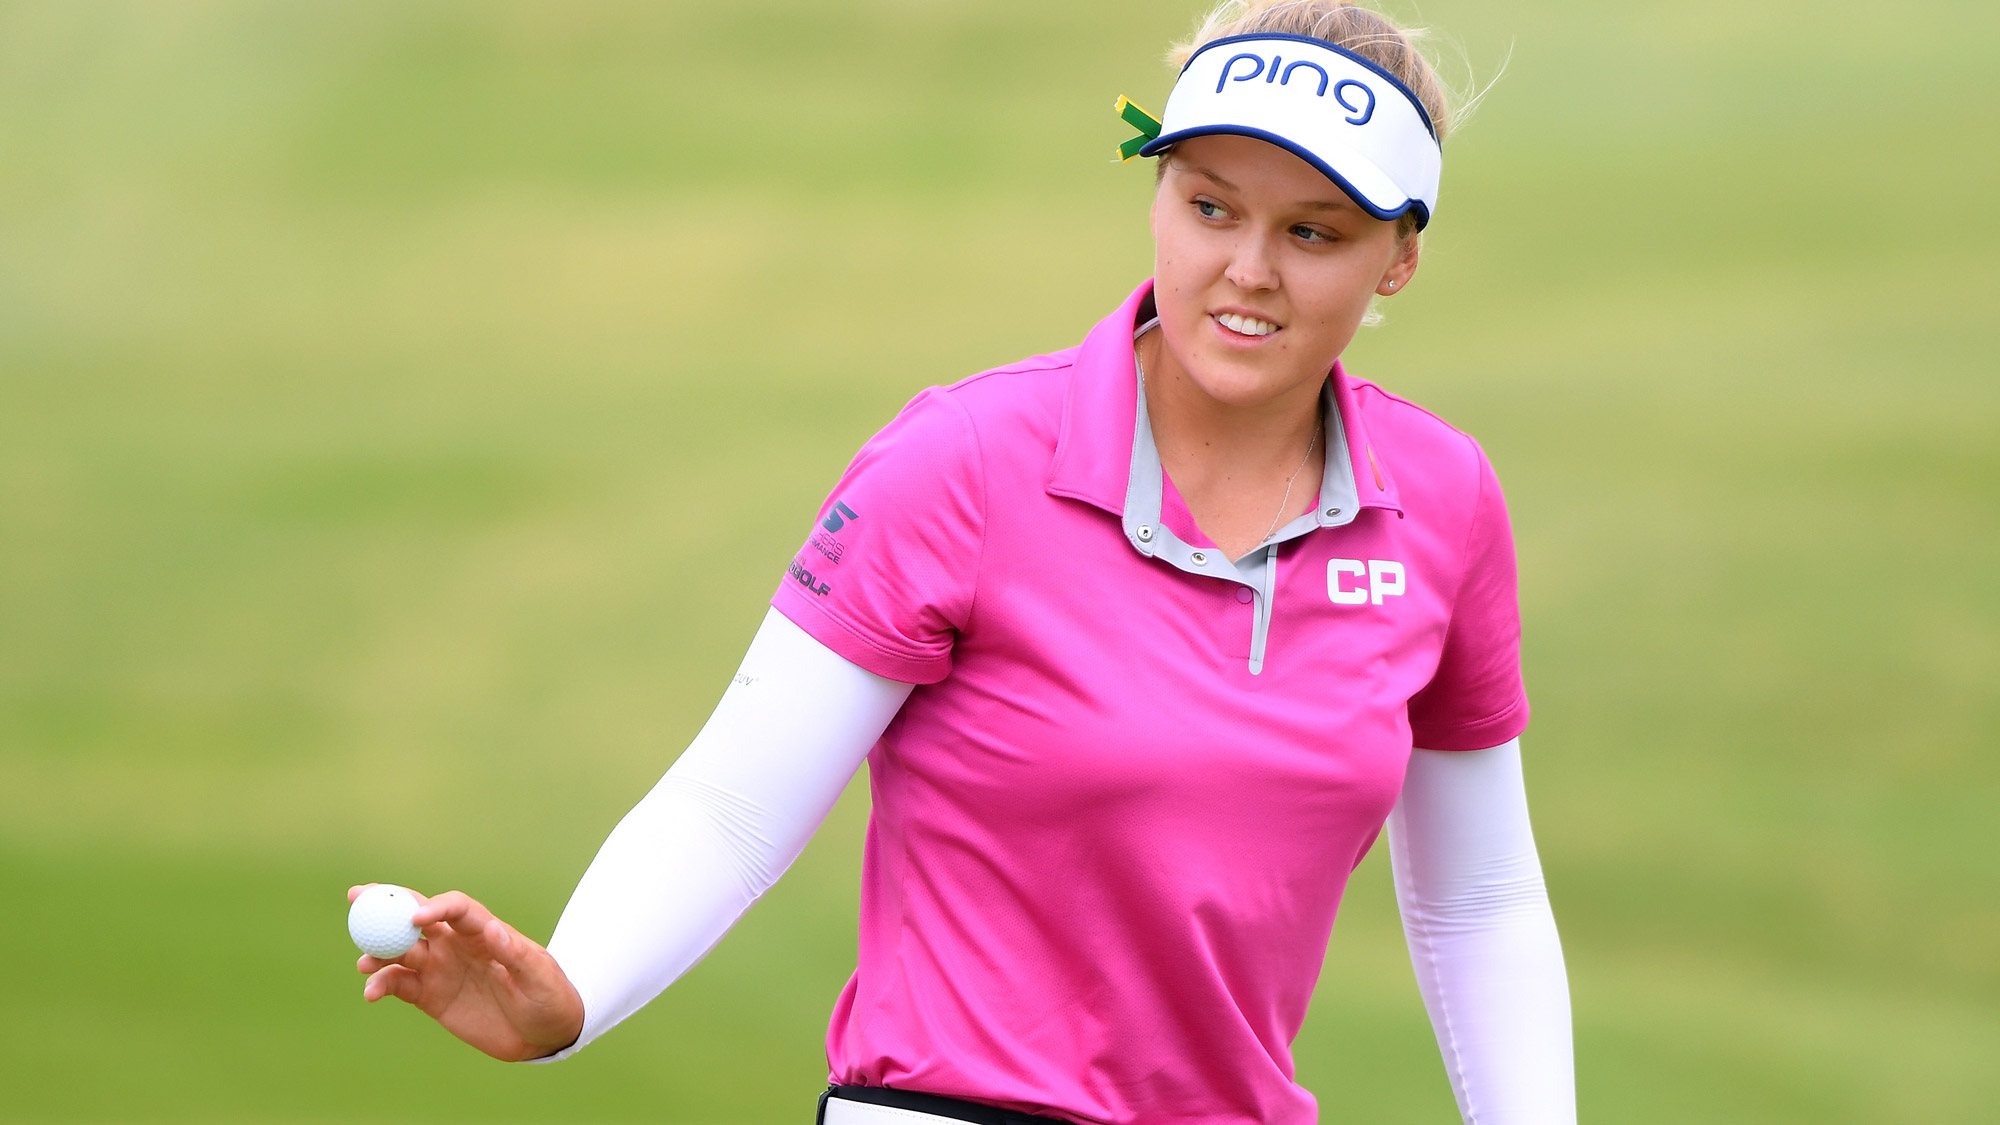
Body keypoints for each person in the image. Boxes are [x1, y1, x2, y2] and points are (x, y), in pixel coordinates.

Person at [348, 2, 1576, 1121]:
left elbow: (1478, 902)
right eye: (1208, 207)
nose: (1246, 269)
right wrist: (572, 1000)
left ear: (1397, 260)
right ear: (1156, 197)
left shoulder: (1440, 503)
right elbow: (732, 805)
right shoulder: (967, 460)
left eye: (1312, 232)